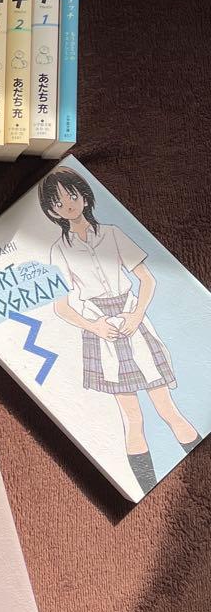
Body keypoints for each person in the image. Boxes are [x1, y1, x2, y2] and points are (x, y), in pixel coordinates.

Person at [39, 166, 200, 495]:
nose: (67, 204)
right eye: (58, 202)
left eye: (72, 195)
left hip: (132, 322)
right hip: (101, 331)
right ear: (52, 211)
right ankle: (147, 489)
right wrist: (95, 326)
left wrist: (136, 316)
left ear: (85, 197)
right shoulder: (59, 250)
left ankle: (200, 473)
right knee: (132, 418)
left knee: (167, 409)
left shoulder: (112, 234)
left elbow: (147, 279)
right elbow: (61, 306)